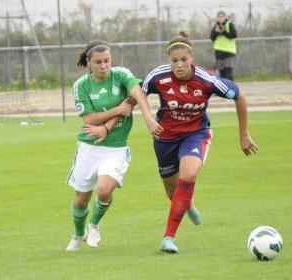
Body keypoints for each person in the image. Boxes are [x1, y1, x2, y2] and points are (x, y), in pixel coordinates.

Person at [142, 32, 258, 254]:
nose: (179, 65)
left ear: (191, 57)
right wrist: (146, 118)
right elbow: (139, 92)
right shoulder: (158, 76)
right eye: (174, 61)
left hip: (195, 134)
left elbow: (239, 96)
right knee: (171, 191)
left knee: (189, 173)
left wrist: (244, 134)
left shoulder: (207, 80)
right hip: (165, 138)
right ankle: (189, 204)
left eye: (184, 60)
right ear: (169, 60)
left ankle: (168, 238)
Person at [65, 40, 163, 251]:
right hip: (89, 148)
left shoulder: (121, 75)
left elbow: (137, 94)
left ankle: (94, 225)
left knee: (104, 190)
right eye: (98, 62)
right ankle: (77, 234)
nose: (104, 65)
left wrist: (147, 118)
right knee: (81, 199)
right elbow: (90, 120)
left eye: (107, 60)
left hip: (116, 148)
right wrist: (118, 110)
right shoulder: (81, 85)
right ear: (89, 63)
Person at [210, 11, 237, 81]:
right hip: (219, 52)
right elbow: (212, 38)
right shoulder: (216, 26)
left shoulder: (229, 24)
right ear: (217, 18)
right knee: (222, 72)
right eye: (219, 17)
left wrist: (224, 32)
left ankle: (231, 88)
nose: (221, 18)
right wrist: (216, 32)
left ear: (225, 17)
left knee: (229, 71)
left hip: (229, 52)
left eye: (222, 16)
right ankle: (224, 89)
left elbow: (234, 35)